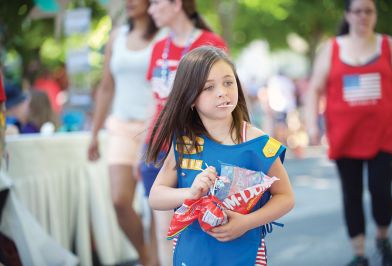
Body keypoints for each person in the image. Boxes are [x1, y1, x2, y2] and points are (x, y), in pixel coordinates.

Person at [145, 46, 295, 265]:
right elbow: (156, 197)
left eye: (228, 82)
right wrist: (191, 192)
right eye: (209, 87)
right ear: (190, 98)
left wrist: (246, 222)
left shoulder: (258, 143)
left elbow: (286, 197)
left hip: (245, 255)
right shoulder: (186, 143)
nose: (222, 91)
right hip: (193, 255)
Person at [306, 0, 392, 265]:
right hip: (345, 136)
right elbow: (314, 88)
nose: (363, 16)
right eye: (357, 11)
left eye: (368, 11)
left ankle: (383, 239)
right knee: (352, 193)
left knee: (380, 189)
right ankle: (359, 254)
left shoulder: (388, 46)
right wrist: (312, 125)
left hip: (384, 134)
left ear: (375, 15)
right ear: (348, 15)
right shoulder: (331, 49)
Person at [140, 1, 227, 264]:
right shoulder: (157, 48)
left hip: (196, 145)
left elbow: (225, 100)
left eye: (155, 3)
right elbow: (151, 102)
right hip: (158, 146)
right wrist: (142, 151)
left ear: (176, 4)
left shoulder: (210, 42)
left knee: (204, 227)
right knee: (165, 232)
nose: (150, 9)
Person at [87, 0, 159, 265]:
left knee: (155, 205)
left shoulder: (163, 34)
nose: (128, 2)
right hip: (120, 127)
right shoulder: (116, 36)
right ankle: (147, 257)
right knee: (119, 200)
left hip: (154, 129)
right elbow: (106, 87)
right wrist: (94, 133)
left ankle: (157, 256)